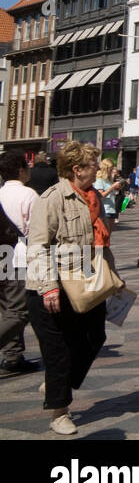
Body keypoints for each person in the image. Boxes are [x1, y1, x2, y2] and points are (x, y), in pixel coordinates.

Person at [25, 141, 111, 435]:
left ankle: (56, 383)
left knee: (95, 336)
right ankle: (59, 412)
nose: (98, 169)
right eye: (93, 164)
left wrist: (112, 280)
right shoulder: (52, 199)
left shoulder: (93, 196)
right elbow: (37, 246)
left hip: (86, 280)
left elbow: (100, 241)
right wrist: (48, 287)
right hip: (53, 286)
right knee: (58, 351)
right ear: (77, 169)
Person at [0, 151, 38, 375]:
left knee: (6, 306)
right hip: (18, 255)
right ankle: (11, 354)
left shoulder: (1, 192)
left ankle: (13, 355)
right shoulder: (29, 194)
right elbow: (35, 229)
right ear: (21, 170)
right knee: (19, 311)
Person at [93, 159, 125, 229]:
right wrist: (112, 187)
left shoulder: (108, 180)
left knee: (108, 236)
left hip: (111, 209)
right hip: (105, 210)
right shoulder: (100, 180)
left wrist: (116, 188)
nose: (112, 171)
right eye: (110, 169)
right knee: (104, 234)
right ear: (105, 169)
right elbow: (101, 196)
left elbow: (111, 193)